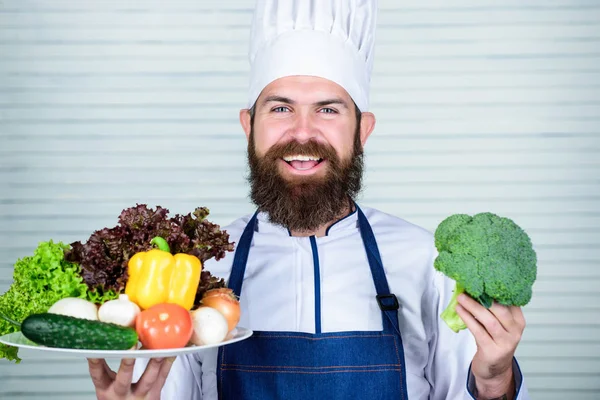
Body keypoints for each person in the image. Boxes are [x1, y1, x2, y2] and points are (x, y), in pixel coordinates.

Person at [87, 0, 531, 399]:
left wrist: (495, 380)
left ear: (363, 131)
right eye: (280, 108)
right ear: (249, 126)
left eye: (328, 109)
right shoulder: (195, 272)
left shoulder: (427, 262)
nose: (302, 132)